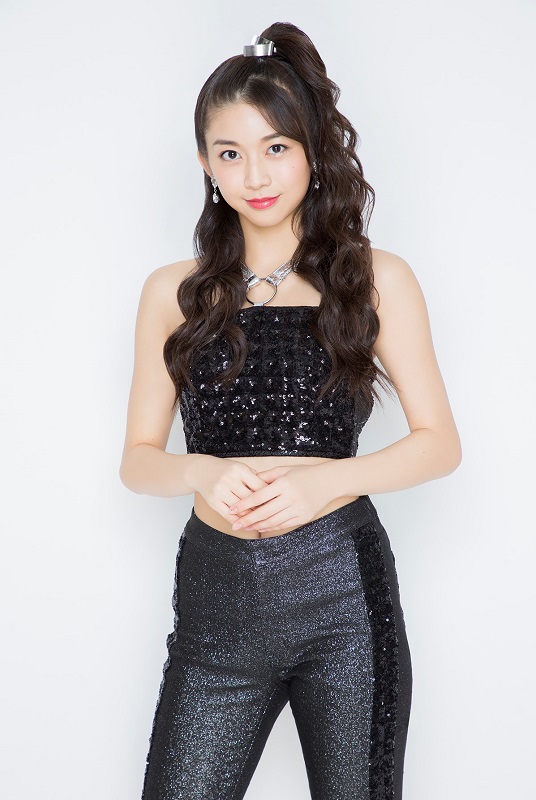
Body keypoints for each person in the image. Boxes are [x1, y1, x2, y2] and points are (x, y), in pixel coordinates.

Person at [120, 21, 461, 800]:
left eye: (276, 147)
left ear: (311, 148)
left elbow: (439, 443)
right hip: (215, 602)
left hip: (342, 595)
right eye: (229, 153)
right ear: (205, 164)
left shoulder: (375, 278)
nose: (255, 175)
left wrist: (323, 483)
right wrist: (200, 470)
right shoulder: (174, 293)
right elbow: (138, 459)